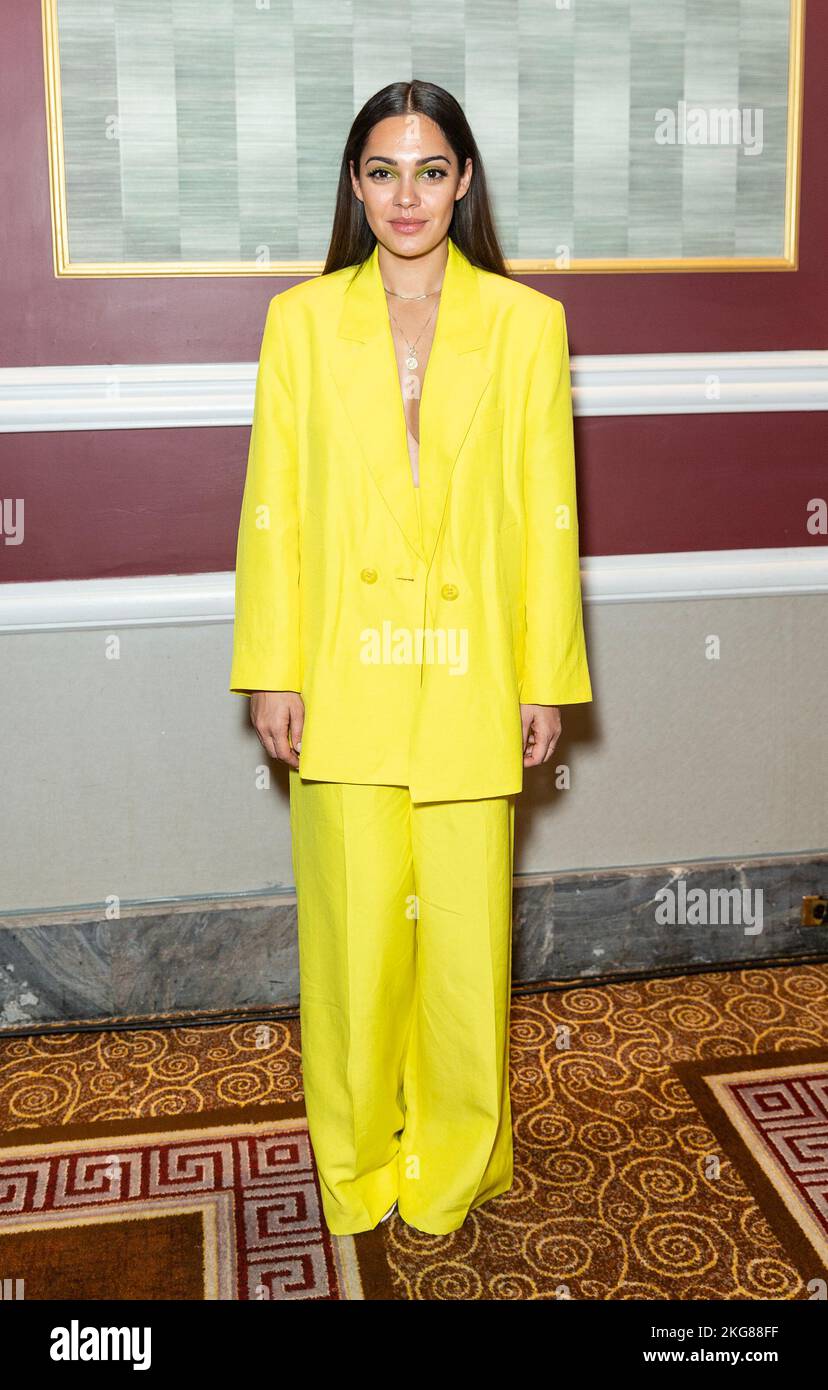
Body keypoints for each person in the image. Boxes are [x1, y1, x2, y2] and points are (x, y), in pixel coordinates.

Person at [230, 80, 593, 1236]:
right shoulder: (299, 321)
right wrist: (272, 670)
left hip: (474, 674)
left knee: (463, 948)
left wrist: (546, 678)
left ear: (465, 181)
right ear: (354, 184)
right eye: (384, 171)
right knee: (353, 943)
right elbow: (270, 507)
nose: (407, 194)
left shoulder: (528, 324)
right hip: (341, 675)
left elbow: (550, 512)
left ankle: (454, 1161)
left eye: (430, 170)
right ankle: (353, 1159)